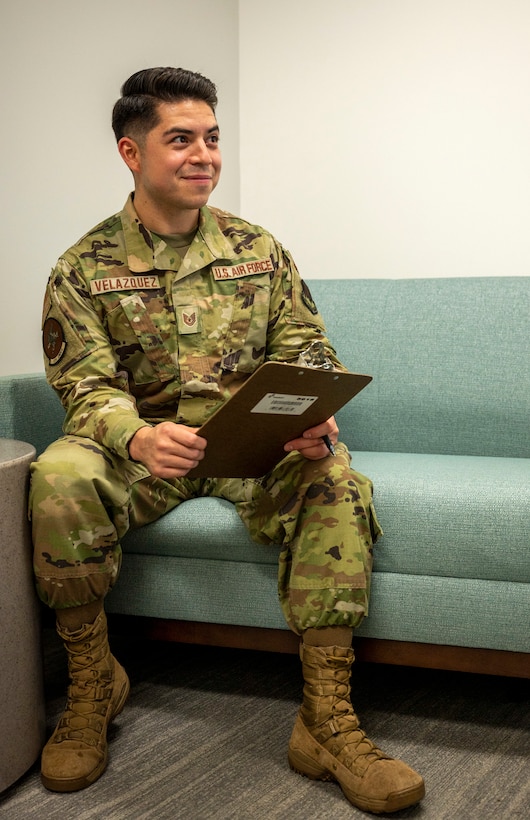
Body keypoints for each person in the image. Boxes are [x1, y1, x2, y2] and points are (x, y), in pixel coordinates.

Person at [30, 67, 425, 814]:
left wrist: (313, 410)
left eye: (212, 138)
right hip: (146, 455)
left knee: (336, 477)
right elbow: (83, 385)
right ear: (130, 152)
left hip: (250, 453)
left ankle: (326, 720)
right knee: (57, 472)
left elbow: (308, 345)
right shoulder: (81, 268)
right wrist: (136, 436)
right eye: (180, 139)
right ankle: (92, 686)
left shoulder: (258, 248)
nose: (204, 154)